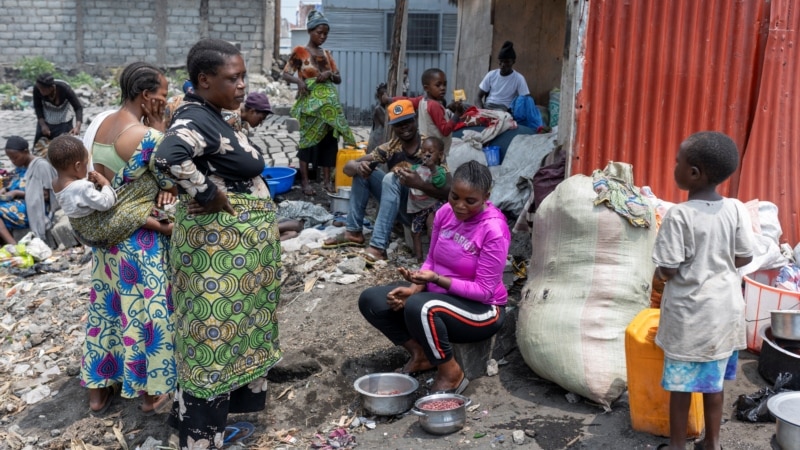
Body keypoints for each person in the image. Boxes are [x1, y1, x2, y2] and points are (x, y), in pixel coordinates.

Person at [154, 38, 283, 448]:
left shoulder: (212, 114)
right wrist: (208, 194)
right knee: (211, 340)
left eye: (243, 76)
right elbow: (168, 156)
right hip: (216, 259)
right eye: (234, 78)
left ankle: (205, 426)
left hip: (232, 260)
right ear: (204, 80)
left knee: (222, 337)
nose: (242, 85)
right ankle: (200, 438)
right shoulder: (193, 119)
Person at [358, 160, 509, 394]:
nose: (460, 206)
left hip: (482, 310)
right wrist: (413, 287)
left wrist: (436, 280)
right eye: (455, 196)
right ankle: (420, 355)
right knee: (372, 300)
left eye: (470, 201)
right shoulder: (444, 213)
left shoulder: (493, 230)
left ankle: (451, 373)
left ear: (486, 197)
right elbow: (432, 260)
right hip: (439, 299)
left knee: (421, 307)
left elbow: (484, 291)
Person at [80, 62, 176, 416]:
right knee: (146, 314)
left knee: (107, 311)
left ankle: (98, 390)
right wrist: (162, 128)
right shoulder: (147, 137)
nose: (165, 101)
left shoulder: (101, 123)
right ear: (146, 96)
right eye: (163, 95)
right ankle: (151, 394)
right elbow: (170, 179)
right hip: (139, 241)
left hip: (106, 239)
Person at [652, 131, 754, 450]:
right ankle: (711, 443)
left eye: (678, 162)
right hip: (725, 313)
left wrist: (656, 275)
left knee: (682, 388)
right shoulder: (736, 208)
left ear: (694, 173)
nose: (674, 166)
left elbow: (668, 268)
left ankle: (678, 446)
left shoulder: (679, 216)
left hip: (691, 316)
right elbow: (745, 256)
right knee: (714, 385)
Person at [322, 99, 450, 262]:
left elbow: (448, 189)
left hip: (426, 214)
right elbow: (347, 168)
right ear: (393, 127)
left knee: (391, 177)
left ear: (415, 120)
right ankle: (353, 232)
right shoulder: (391, 147)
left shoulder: (429, 147)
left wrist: (419, 183)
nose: (404, 128)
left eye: (407, 122)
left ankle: (378, 247)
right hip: (405, 208)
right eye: (399, 124)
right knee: (363, 170)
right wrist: (357, 166)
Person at [282, 9, 355, 196]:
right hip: (310, 106)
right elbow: (285, 74)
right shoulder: (299, 52)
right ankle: (306, 182)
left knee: (329, 142)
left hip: (329, 108)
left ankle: (326, 182)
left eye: (325, 33)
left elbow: (338, 79)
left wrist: (329, 73)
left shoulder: (327, 54)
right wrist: (299, 81)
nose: (322, 37)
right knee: (307, 142)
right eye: (319, 32)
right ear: (309, 31)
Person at [47, 135, 171, 235]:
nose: (87, 167)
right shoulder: (81, 188)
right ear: (77, 166)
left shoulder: (55, 183)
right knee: (129, 213)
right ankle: (164, 228)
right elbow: (106, 203)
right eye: (85, 164)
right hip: (94, 229)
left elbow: (76, 198)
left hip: (79, 229)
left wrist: (89, 183)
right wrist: (106, 184)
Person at [382, 68, 461, 155]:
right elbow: (445, 130)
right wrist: (457, 114)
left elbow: (407, 100)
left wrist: (389, 99)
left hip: (425, 146)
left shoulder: (423, 100)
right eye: (438, 85)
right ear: (426, 88)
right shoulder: (434, 106)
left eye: (444, 84)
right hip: (436, 150)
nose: (443, 88)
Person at [0, 136, 57, 245]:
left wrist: (16, 193)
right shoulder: (21, 167)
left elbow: (47, 195)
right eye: (10, 158)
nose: (13, 161)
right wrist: (5, 189)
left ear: (26, 151)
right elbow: (15, 183)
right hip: (20, 202)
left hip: (37, 206)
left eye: (15, 157)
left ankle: (13, 245)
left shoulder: (41, 166)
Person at [407, 136, 447, 262]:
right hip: (418, 207)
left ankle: (434, 258)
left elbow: (440, 183)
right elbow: (409, 176)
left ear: (440, 155)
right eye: (424, 152)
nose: (426, 155)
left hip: (432, 205)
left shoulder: (439, 170)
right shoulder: (416, 168)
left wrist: (433, 168)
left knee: (432, 230)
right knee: (415, 232)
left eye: (430, 152)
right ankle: (418, 257)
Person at [476, 41, 530, 111]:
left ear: (513, 62)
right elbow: (478, 96)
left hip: (503, 109)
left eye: (507, 62)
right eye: (501, 61)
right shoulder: (491, 75)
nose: (503, 64)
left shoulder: (519, 78)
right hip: (487, 107)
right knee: (462, 107)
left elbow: (526, 99)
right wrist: (481, 110)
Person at [33, 73, 84, 146]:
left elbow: (78, 107)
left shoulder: (64, 88)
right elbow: (38, 107)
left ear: (51, 88)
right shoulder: (37, 89)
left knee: (65, 144)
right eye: (39, 88)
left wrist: (77, 127)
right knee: (40, 144)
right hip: (47, 117)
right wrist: (43, 125)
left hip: (64, 117)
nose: (40, 91)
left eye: (43, 89)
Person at [367, 83, 390, 152]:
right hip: (376, 142)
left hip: (383, 141)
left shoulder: (388, 108)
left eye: (386, 95)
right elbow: (386, 125)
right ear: (378, 97)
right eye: (382, 95)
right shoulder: (378, 109)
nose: (384, 97)